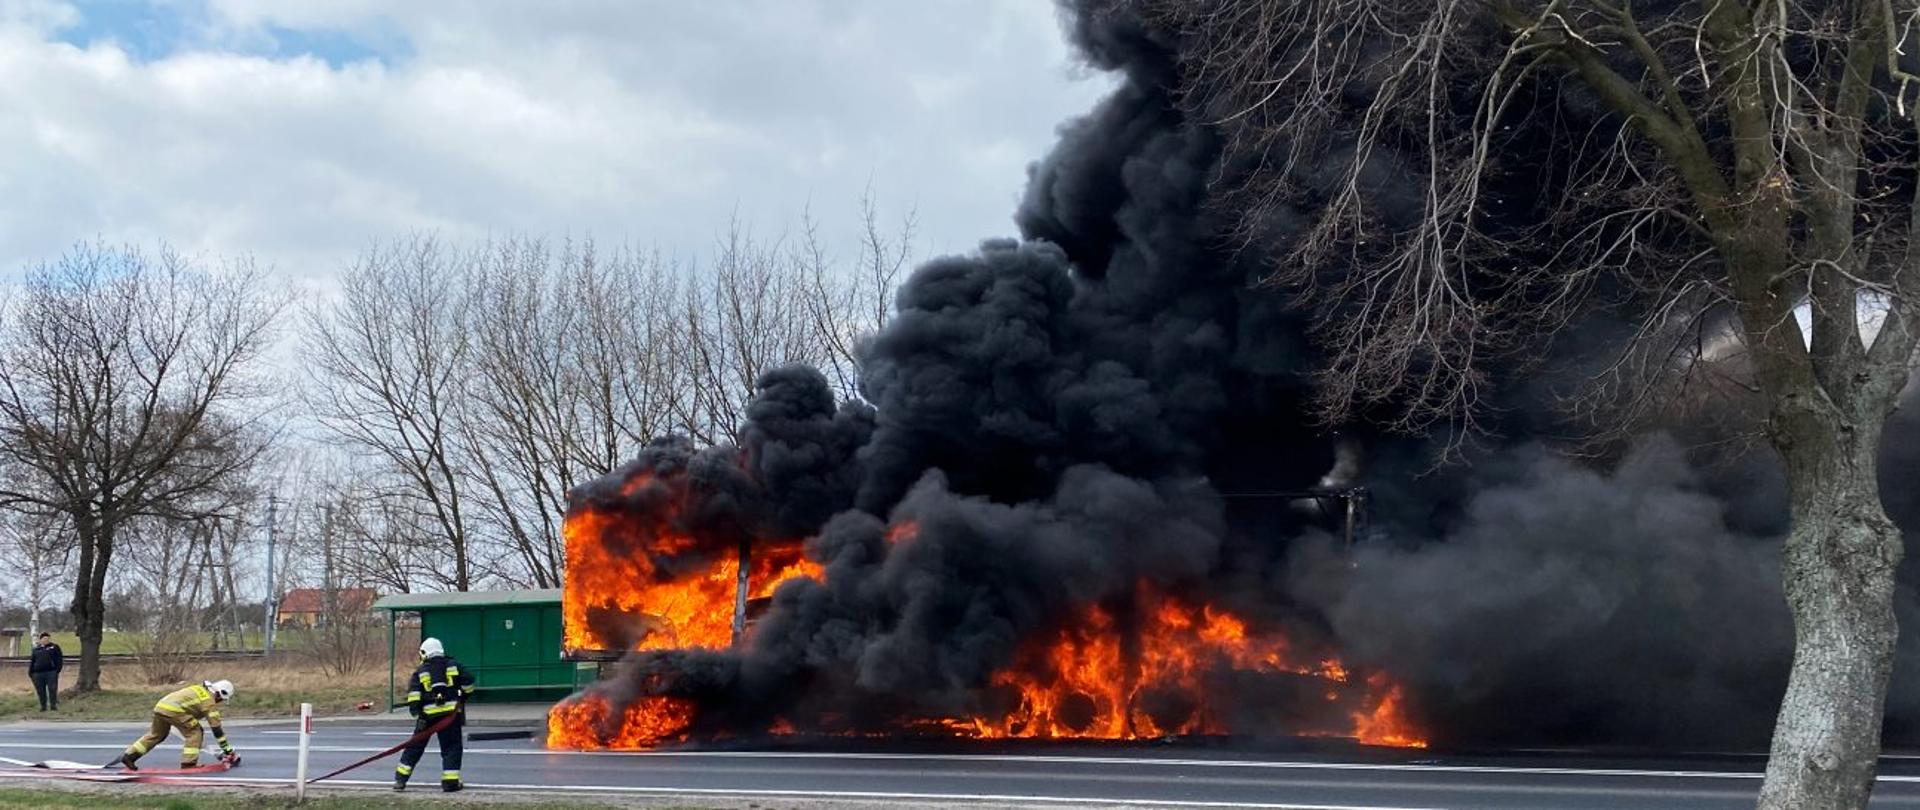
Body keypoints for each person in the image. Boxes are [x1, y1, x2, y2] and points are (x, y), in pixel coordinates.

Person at [395, 637, 475, 792]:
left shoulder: (420, 671)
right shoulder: (454, 665)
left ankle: (400, 780)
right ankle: (450, 783)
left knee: (414, 747)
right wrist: (462, 697)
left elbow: (414, 696)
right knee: (451, 747)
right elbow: (469, 681)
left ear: (424, 653)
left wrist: (418, 714)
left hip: (427, 717)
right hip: (450, 716)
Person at [110, 679, 240, 770]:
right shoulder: (209, 702)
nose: (219, 703)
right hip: (175, 710)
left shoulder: (198, 689)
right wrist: (227, 750)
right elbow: (217, 730)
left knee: (157, 734)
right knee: (195, 731)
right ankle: (188, 763)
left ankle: (130, 756)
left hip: (161, 706)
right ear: (219, 694)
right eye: (221, 700)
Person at [26, 633, 62, 711]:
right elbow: (32, 661)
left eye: (47, 639)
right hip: (38, 673)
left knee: (52, 688)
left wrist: (57, 669)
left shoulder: (54, 647)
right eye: (44, 639)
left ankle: (53, 705)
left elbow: (59, 658)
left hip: (51, 671)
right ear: (41, 640)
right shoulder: (36, 649)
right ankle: (43, 706)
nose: (46, 641)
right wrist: (31, 672)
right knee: (41, 690)